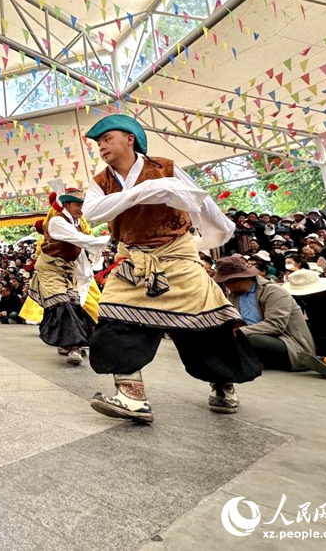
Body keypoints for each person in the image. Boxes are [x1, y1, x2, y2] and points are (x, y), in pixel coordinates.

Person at [83, 114, 262, 423]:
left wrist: (222, 229)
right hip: (133, 259)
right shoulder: (102, 181)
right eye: (98, 143)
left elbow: (199, 201)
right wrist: (143, 192)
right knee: (115, 318)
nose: (101, 146)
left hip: (177, 254)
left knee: (205, 324)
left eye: (106, 139)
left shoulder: (164, 167)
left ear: (130, 139)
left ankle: (223, 383)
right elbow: (94, 212)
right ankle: (131, 397)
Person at [27, 186, 108, 365]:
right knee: (62, 303)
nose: (81, 208)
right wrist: (109, 240)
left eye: (83, 205)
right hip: (50, 269)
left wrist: (87, 269)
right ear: (67, 204)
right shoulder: (58, 221)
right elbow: (82, 241)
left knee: (74, 303)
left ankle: (68, 342)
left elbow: (81, 247)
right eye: (77, 204)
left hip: (67, 270)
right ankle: (74, 347)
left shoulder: (77, 223)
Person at [213, 256, 315, 371]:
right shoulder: (234, 295)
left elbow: (275, 325)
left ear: (237, 279)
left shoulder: (273, 291)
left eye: (226, 282)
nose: (225, 286)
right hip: (257, 337)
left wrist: (239, 332)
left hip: (290, 345)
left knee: (250, 338)